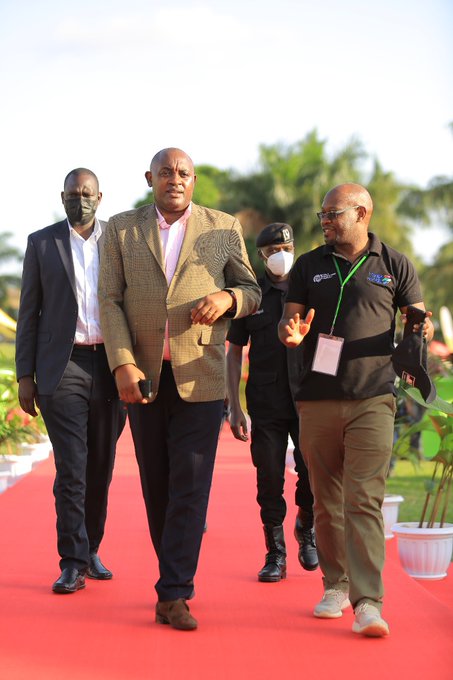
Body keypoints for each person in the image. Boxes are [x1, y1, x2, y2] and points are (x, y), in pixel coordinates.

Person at [98, 147, 261, 631]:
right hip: (144, 378)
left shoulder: (222, 227)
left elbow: (252, 291)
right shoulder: (121, 229)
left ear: (194, 180)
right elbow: (109, 300)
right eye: (166, 172)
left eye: (184, 173)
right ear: (150, 178)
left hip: (201, 376)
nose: (175, 179)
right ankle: (173, 578)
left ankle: (173, 591)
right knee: (157, 487)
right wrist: (122, 363)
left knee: (191, 485)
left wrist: (227, 297)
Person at [278, 183, 434, 638]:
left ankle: (368, 602)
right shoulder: (309, 265)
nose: (325, 221)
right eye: (323, 214)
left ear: (362, 213)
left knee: (363, 498)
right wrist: (290, 333)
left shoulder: (395, 264)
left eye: (333, 213)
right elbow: (289, 321)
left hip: (373, 398)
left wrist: (418, 338)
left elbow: (417, 321)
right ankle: (336, 586)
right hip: (317, 398)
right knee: (326, 502)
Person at [15, 168, 126, 595]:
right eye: (73, 193)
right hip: (63, 367)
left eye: (87, 193)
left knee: (101, 466)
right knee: (71, 469)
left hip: (111, 366)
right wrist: (25, 375)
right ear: (62, 197)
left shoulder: (119, 241)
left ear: (100, 197)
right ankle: (72, 561)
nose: (80, 199)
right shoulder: (41, 243)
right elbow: (29, 312)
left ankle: (92, 548)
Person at [226, 223, 318, 582]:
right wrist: (234, 406)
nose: (281, 255)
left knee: (312, 473)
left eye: (286, 248)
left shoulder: (310, 290)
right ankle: (275, 553)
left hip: (308, 400)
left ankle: (306, 527)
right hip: (266, 402)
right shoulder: (252, 296)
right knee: (269, 478)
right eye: (272, 251)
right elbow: (234, 352)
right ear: (261, 256)